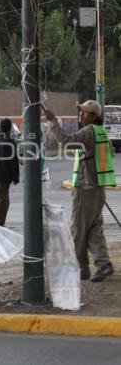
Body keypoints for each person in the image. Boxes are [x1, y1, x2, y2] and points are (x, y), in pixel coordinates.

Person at [45, 100, 116, 282]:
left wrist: (53, 123)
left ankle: (80, 269)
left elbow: (67, 141)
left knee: (78, 228)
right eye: (81, 112)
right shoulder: (101, 132)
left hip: (86, 188)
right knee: (93, 227)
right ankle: (103, 264)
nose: (81, 115)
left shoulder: (88, 132)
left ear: (94, 116)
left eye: (85, 112)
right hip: (97, 187)